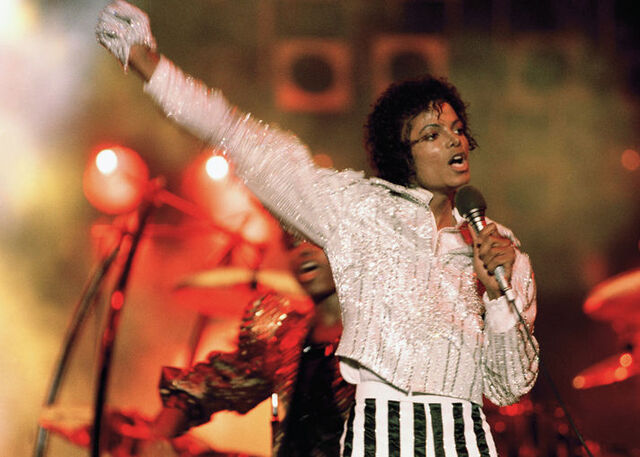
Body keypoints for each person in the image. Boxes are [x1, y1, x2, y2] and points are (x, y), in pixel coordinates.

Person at [95, 2, 540, 456]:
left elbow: (509, 386)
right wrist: (149, 64)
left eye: (457, 129)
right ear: (401, 154)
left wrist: (499, 300)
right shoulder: (359, 211)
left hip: (467, 442)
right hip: (379, 441)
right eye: (431, 134)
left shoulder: (499, 249)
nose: (453, 140)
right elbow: (240, 139)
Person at [42, 236, 353, 457]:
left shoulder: (376, 332)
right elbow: (209, 384)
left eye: (315, 238)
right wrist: (155, 439)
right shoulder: (283, 336)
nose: (303, 252)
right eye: (292, 243)